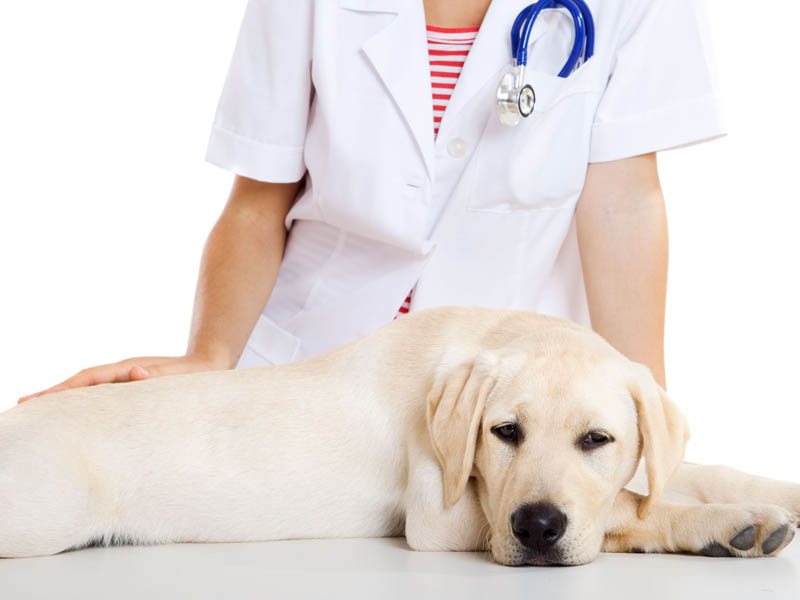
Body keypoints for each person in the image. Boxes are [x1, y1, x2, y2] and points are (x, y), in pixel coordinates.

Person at [21, 0, 724, 402]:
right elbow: (256, 202)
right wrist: (210, 356)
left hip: (512, 395)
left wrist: (643, 399)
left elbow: (623, 203)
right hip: (311, 381)